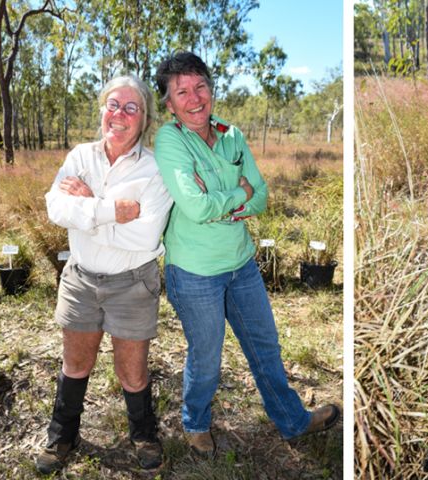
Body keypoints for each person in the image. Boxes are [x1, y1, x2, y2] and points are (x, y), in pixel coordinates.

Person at [153, 51, 339, 457]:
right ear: (169, 104)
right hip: (195, 270)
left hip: (241, 264)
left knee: (265, 346)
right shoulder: (169, 140)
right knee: (207, 355)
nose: (194, 97)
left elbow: (263, 197)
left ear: (211, 89)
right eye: (181, 91)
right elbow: (197, 206)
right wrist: (239, 193)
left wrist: (225, 200)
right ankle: (195, 423)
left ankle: (292, 421)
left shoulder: (232, 135)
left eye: (200, 86)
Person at [37, 75, 173, 474]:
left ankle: (143, 433)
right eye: (113, 104)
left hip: (133, 283)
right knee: (75, 364)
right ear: (101, 109)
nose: (120, 114)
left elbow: (145, 237)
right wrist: (111, 211)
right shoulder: (80, 156)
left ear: (144, 119)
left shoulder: (153, 169)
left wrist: (88, 209)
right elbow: (56, 209)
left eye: (132, 108)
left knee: (132, 371)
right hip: (81, 280)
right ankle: (63, 434)